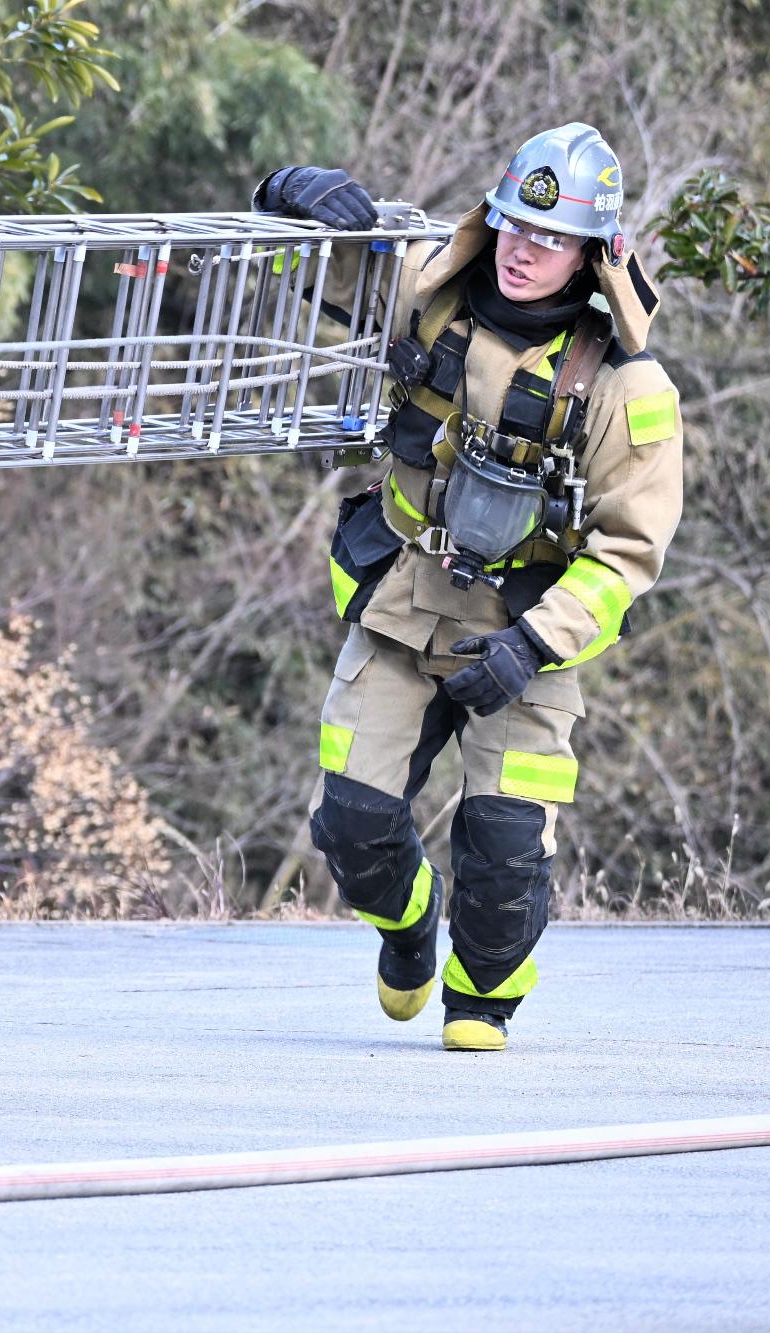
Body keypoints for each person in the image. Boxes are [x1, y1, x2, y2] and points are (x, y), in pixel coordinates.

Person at [255, 124, 683, 1051]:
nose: (528, 250)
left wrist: (530, 647)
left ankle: (481, 992)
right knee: (354, 827)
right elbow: (299, 259)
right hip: (406, 605)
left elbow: (628, 554)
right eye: (515, 225)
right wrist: (292, 182)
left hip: (527, 637)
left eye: (555, 236)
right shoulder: (425, 290)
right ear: (491, 222)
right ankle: (408, 930)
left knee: (500, 865)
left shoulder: (625, 388)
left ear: (594, 256)